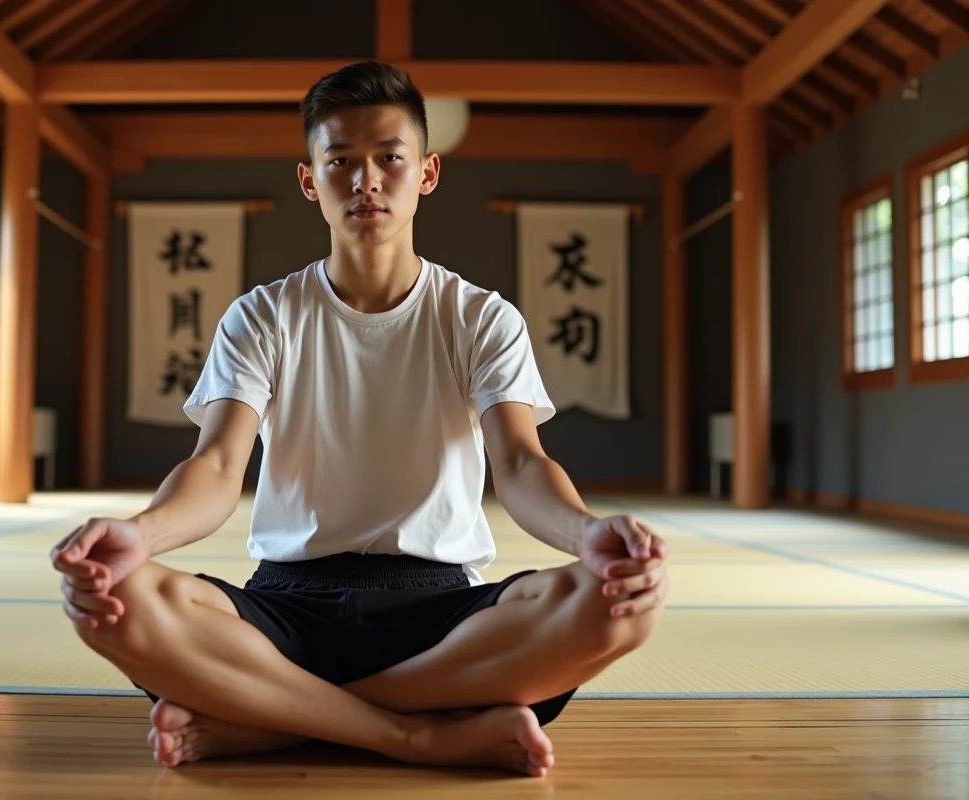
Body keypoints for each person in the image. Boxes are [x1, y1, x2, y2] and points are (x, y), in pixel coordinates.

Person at [50, 61, 669, 778]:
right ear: (310, 179)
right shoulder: (263, 315)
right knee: (119, 594)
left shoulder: (480, 317)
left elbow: (523, 466)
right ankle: (416, 735)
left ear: (428, 173)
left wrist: (592, 535)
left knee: (621, 602)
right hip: (286, 607)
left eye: (388, 159)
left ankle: (267, 721)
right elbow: (217, 468)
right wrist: (136, 534)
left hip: (442, 614)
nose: (365, 180)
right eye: (340, 161)